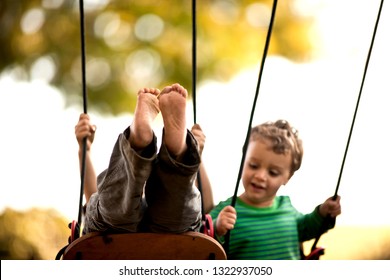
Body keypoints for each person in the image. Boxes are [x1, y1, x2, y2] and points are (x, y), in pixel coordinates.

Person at [75, 83, 212, 234]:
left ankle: (137, 143)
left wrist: (85, 150)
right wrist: (194, 154)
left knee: (114, 203)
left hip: (109, 237)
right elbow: (207, 205)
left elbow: (92, 192)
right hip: (176, 237)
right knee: (180, 205)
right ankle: (178, 155)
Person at [209, 120, 341, 260]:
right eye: (253, 165)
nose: (260, 176)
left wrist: (322, 213)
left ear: (287, 178)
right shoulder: (226, 211)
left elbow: (306, 228)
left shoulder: (285, 207)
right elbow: (198, 242)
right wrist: (216, 228)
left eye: (273, 172)